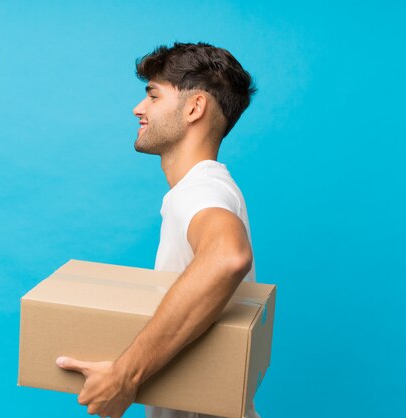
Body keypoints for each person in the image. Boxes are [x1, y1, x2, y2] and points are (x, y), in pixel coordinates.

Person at [56, 42, 259, 418]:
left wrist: (124, 376)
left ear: (195, 107)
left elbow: (228, 256)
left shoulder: (202, 189)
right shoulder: (202, 189)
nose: (139, 108)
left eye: (152, 95)